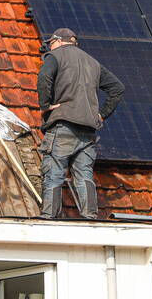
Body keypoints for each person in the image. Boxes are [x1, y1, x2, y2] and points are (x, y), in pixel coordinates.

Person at [36, 28, 124, 219]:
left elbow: (44, 77)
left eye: (51, 43)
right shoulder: (93, 62)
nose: (49, 47)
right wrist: (101, 115)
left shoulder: (55, 55)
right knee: (84, 174)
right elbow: (117, 88)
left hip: (63, 124)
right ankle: (90, 216)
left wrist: (45, 106)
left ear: (58, 41)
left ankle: (48, 217)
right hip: (88, 130)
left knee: (54, 170)